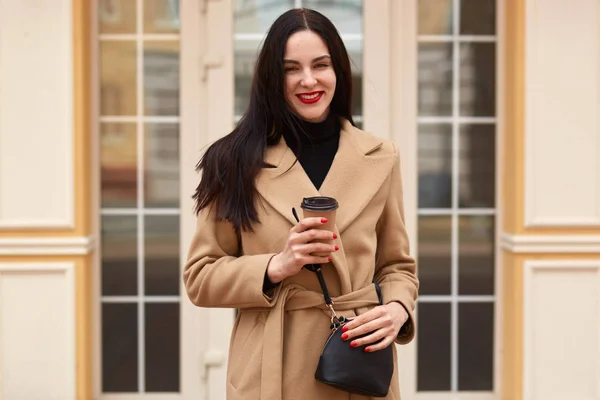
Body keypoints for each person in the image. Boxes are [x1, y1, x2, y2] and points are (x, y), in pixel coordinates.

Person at [183, 8, 419, 400]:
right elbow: (200, 277)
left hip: (356, 364)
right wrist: (277, 265)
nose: (308, 80)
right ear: (273, 79)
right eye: (292, 68)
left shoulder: (381, 157)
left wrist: (397, 309)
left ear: (338, 71)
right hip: (271, 370)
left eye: (320, 65)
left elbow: (396, 266)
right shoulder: (232, 161)